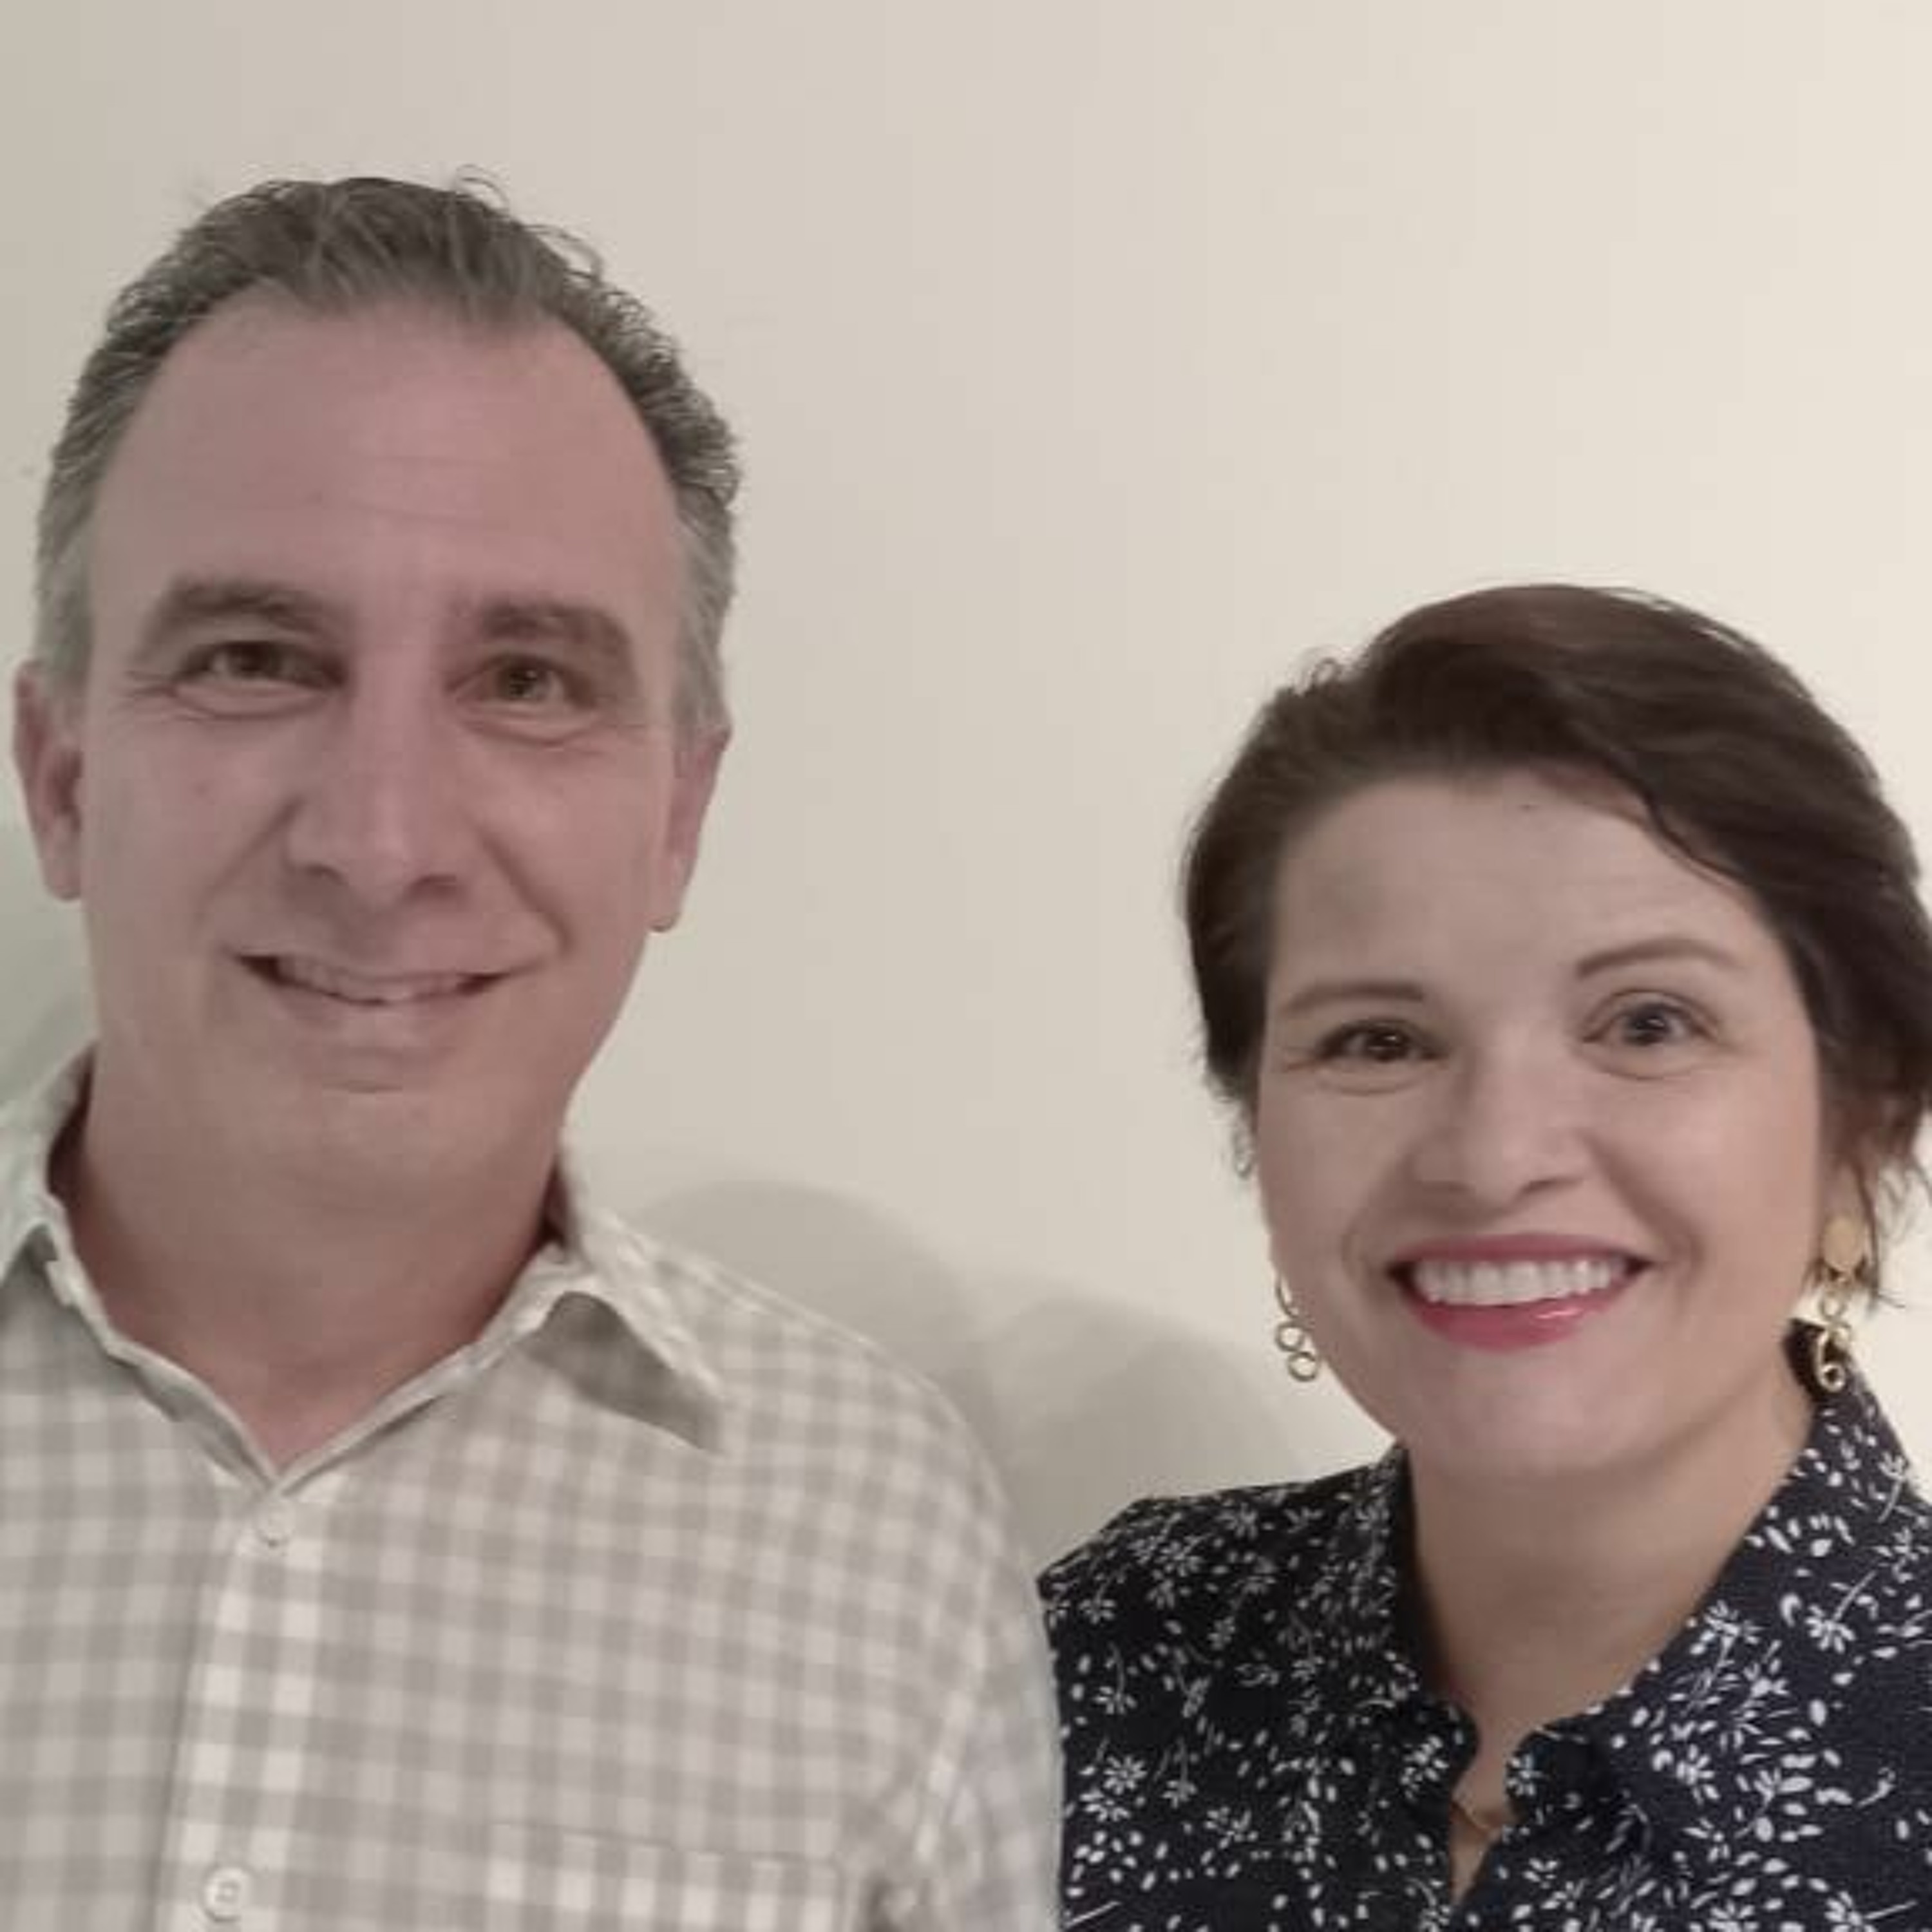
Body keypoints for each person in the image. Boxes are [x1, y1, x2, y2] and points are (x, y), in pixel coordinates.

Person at [3, 175, 1057, 1929]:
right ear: (61, 779)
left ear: (678, 818)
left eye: (529, 683)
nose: (382, 841)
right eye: (256, 659)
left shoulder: (884, 1538)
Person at [1043, 584, 1932, 1929]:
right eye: (1380, 1041)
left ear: (1862, 1116)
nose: (1495, 1156)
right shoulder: (1114, 1651)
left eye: (1647, 1022)